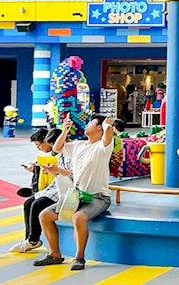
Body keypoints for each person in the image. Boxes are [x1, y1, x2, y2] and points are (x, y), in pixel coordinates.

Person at [34, 114, 115, 271]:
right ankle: (54, 254)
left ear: (99, 128)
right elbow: (57, 148)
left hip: (97, 198)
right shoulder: (78, 145)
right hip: (77, 196)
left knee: (78, 217)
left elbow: (109, 131)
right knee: (45, 215)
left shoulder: (103, 147)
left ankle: (79, 257)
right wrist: (65, 130)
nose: (87, 125)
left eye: (91, 123)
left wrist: (107, 125)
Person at [12, 128, 71, 253]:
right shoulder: (59, 154)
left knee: (37, 204)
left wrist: (56, 171)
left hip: (67, 187)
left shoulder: (72, 153)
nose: (39, 149)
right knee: (28, 203)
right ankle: (29, 238)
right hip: (56, 185)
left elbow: (74, 175)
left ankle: (33, 240)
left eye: (39, 145)